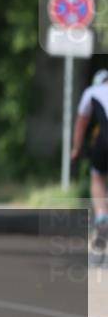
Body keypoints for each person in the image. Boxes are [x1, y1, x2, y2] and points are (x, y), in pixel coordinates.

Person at [71, 69, 108, 242]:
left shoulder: (91, 92)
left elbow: (81, 122)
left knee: (97, 177)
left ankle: (102, 218)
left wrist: (76, 147)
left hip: (104, 141)